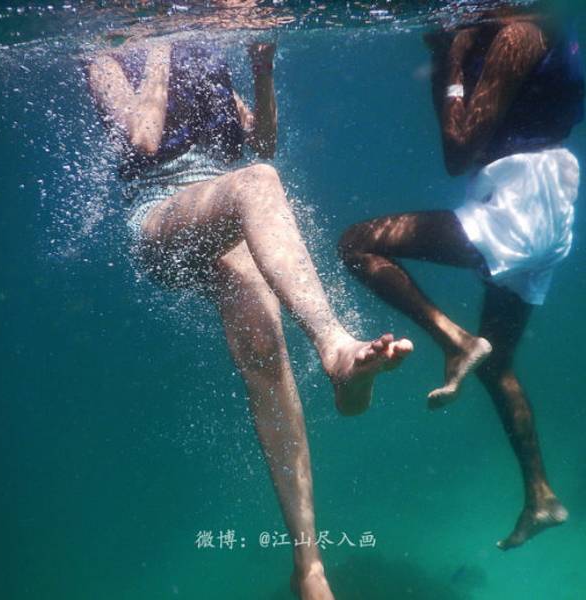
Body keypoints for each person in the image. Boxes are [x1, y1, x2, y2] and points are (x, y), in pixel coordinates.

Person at [86, 31, 412, 599]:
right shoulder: (105, 59)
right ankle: (335, 346)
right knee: (257, 184)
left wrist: (262, 73)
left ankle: (309, 567)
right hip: (159, 219)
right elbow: (143, 139)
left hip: (221, 209)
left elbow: (262, 142)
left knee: (265, 355)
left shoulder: (205, 52)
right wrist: (160, 43)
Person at [338, 3, 582, 550]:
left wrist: (453, 58)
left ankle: (453, 341)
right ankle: (541, 496)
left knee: (356, 244)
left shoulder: (516, 36)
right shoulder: (537, 30)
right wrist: (449, 56)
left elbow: (456, 153)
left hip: (518, 205)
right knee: (499, 365)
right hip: (549, 204)